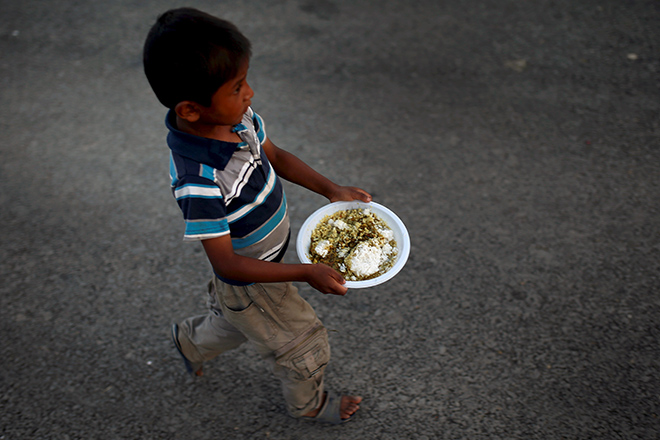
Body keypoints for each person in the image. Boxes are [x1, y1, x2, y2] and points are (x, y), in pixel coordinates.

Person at [142, 7, 370, 424]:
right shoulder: (199, 180)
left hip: (265, 261)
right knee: (300, 340)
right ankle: (311, 406)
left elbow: (277, 155)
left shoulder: (239, 119)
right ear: (191, 109)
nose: (250, 94)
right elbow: (227, 264)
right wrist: (306, 273)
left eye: (245, 81)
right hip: (249, 277)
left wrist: (331, 190)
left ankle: (190, 342)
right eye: (237, 88)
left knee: (237, 321)